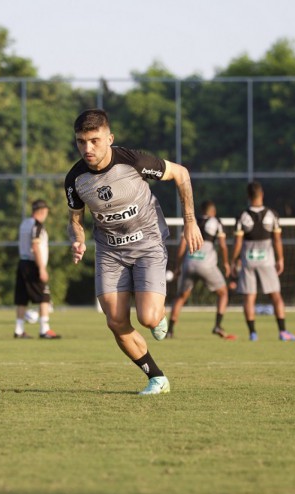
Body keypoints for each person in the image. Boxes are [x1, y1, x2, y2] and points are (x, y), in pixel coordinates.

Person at [65, 109, 203, 395]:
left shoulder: (134, 162)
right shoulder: (75, 180)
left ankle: (157, 316)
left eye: (94, 140)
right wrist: (77, 239)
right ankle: (156, 377)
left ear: (109, 138)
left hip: (147, 245)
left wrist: (190, 222)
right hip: (109, 252)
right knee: (115, 321)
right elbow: (75, 220)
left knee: (148, 318)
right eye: (81, 142)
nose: (87, 148)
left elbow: (181, 173)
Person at [230, 181, 295, 342]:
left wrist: (233, 260)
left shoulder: (242, 216)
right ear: (262, 194)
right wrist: (280, 259)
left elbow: (238, 242)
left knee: (249, 297)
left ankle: (253, 333)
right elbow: (277, 241)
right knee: (275, 296)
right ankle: (283, 332)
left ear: (248, 196)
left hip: (248, 260)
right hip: (267, 259)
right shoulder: (272, 214)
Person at [167, 200, 235, 340]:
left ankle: (170, 330)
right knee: (223, 293)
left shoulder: (191, 222)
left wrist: (178, 267)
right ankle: (217, 325)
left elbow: (182, 247)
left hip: (189, 262)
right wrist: (227, 264)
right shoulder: (216, 222)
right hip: (206, 264)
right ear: (213, 211)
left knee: (181, 297)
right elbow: (222, 246)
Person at [13, 199, 61, 339]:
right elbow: (35, 247)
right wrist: (41, 268)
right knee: (44, 297)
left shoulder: (24, 223)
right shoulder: (37, 225)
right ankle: (44, 329)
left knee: (22, 298)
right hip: (33, 264)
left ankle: (19, 329)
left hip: (22, 262)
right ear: (43, 211)